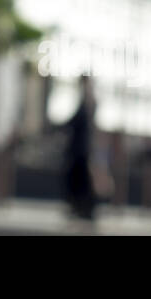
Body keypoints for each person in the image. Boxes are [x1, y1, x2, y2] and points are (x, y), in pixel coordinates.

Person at [64, 75, 97, 221]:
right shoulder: (86, 100)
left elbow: (78, 122)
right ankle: (79, 208)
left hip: (81, 149)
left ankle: (84, 209)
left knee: (81, 180)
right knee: (77, 179)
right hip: (79, 148)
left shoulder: (89, 101)